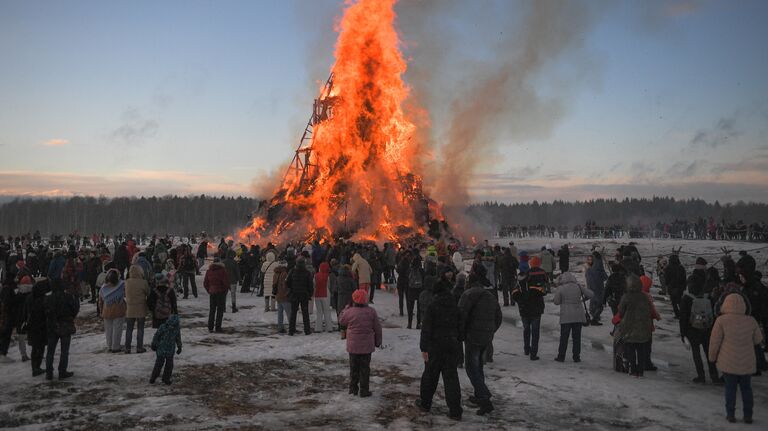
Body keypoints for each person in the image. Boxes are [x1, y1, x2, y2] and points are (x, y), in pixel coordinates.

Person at [709, 294, 763, 424]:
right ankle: (748, 415)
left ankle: (731, 414)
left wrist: (712, 357)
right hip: (746, 361)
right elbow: (758, 340)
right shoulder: (751, 320)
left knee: (730, 389)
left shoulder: (721, 320)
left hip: (728, 361)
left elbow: (715, 342)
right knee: (746, 389)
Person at [415, 277, 463, 421]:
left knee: (430, 375)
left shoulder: (432, 306)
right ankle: (455, 410)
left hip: (435, 346)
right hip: (451, 345)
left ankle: (425, 403)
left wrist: (423, 347)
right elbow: (460, 327)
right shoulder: (455, 306)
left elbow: (426, 329)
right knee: (451, 378)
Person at [458, 273, 502, 415]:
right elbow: (498, 317)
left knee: (471, 368)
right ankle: (479, 394)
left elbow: (461, 315)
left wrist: (461, 334)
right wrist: (491, 331)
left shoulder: (468, 295)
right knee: (479, 367)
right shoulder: (490, 296)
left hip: (473, 336)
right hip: (486, 336)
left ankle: (484, 398)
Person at [338, 289, 382, 397]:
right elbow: (377, 328)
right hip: (367, 347)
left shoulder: (350, 311)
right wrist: (378, 341)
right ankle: (364, 390)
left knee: (354, 368)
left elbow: (341, 320)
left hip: (353, 346)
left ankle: (353, 389)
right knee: (365, 369)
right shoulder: (371, 312)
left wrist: (346, 308)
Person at [680, 271, 720, 383]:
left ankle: (701, 376)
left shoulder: (686, 298)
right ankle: (714, 375)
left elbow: (683, 317)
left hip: (692, 330)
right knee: (709, 353)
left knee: (696, 353)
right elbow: (713, 313)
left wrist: (683, 333)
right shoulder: (708, 297)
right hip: (706, 329)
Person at [616, 275, 653, 377]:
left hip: (629, 326)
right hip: (642, 327)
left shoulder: (626, 296)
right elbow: (649, 310)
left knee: (631, 349)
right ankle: (640, 370)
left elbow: (621, 311)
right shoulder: (644, 296)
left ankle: (632, 369)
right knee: (641, 349)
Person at [553, 272, 593, 363]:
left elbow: (556, 301)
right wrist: (582, 299)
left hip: (566, 317)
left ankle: (561, 356)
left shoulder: (561, 288)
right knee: (577, 337)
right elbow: (591, 294)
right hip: (578, 316)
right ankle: (576, 356)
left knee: (564, 337)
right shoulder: (578, 286)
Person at [44, 279, 79, 380]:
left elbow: (45, 312)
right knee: (64, 351)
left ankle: (49, 372)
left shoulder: (48, 299)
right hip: (65, 325)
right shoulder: (67, 297)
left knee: (50, 351)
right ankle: (62, 371)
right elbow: (74, 311)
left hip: (52, 326)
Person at [512, 260, 545, 360]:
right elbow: (541, 293)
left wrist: (521, 302)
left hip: (524, 310)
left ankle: (527, 349)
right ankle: (533, 354)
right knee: (535, 333)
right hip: (535, 310)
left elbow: (514, 295)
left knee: (526, 330)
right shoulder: (534, 283)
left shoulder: (519, 284)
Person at [24, 279, 50, 376]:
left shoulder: (29, 298)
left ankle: (34, 367)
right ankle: (37, 367)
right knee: (40, 348)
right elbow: (46, 312)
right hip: (41, 327)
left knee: (35, 348)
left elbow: (25, 312)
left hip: (31, 326)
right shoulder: (43, 299)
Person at [99, 269, 126, 353]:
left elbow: (100, 300)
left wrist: (100, 311)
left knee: (108, 330)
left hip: (107, 310)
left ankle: (110, 346)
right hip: (119, 309)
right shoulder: (122, 285)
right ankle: (116, 347)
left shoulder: (103, 288)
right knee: (117, 329)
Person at [150, 314, 182, 385]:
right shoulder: (176, 329)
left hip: (161, 348)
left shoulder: (163, 326)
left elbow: (156, 336)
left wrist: (154, 344)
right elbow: (178, 339)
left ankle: (153, 377)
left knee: (158, 364)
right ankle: (165, 378)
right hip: (169, 350)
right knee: (169, 366)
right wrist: (179, 347)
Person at [124, 264, 149, 353]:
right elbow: (147, 293)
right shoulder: (143, 282)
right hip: (141, 307)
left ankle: (127, 348)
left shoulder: (127, 282)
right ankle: (139, 347)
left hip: (130, 308)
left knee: (129, 329)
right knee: (140, 328)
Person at [287, 258, 313, 336]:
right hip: (304, 295)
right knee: (305, 313)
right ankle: (307, 330)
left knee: (293, 313)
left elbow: (287, 282)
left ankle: (291, 330)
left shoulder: (292, 271)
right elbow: (310, 285)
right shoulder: (307, 273)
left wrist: (291, 289)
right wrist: (309, 293)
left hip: (294, 294)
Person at [203, 258, 229, 333]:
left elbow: (205, 283)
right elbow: (225, 282)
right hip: (220, 292)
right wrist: (225, 290)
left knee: (212, 310)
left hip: (212, 292)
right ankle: (218, 327)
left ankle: (210, 326)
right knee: (220, 310)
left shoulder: (209, 271)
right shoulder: (222, 271)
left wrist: (209, 290)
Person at [585, 253, 608, 325]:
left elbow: (587, 278)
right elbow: (605, 277)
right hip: (599, 289)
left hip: (591, 288)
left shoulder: (589, 270)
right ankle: (595, 318)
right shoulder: (600, 268)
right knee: (599, 304)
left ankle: (593, 315)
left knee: (593, 303)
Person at [665, 254, 687, 319]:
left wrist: (667, 285)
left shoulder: (668, 268)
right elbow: (684, 278)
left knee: (674, 302)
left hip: (672, 287)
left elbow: (667, 279)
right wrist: (684, 287)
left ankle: (677, 314)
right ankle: (683, 314)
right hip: (680, 287)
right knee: (680, 301)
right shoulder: (681, 268)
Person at [314, 262, 333, 333]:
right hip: (325, 294)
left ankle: (318, 328)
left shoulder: (315, 275)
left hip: (317, 294)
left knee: (319, 312)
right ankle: (329, 327)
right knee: (327, 311)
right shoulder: (327, 276)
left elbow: (314, 285)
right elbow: (329, 285)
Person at [273, 262, 291, 333]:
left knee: (280, 313)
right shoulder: (284, 274)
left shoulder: (275, 273)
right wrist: (288, 292)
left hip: (278, 296)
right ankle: (291, 327)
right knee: (289, 313)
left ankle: (280, 327)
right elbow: (285, 286)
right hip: (284, 296)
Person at [407, 257, 424, 329]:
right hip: (419, 290)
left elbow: (407, 279)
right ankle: (418, 323)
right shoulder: (422, 271)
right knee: (419, 308)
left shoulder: (409, 270)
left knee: (410, 308)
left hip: (411, 290)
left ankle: (409, 324)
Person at [396, 251, 411, 316]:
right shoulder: (409, 263)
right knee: (408, 297)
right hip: (406, 281)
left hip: (401, 280)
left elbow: (398, 270)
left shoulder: (400, 263)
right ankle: (409, 310)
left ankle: (401, 311)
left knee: (401, 297)